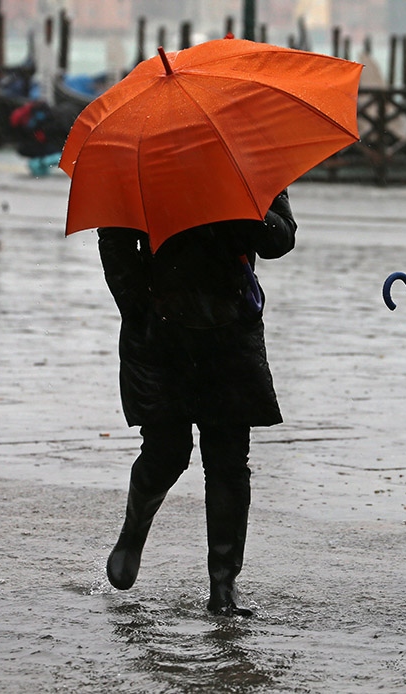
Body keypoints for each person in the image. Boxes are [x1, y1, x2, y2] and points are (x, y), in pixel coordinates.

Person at [97, 190, 296, 616]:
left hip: (228, 331)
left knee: (227, 462)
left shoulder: (246, 163)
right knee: (166, 453)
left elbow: (280, 240)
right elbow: (114, 239)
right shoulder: (145, 165)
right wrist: (138, 308)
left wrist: (244, 204)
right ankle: (133, 534)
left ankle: (223, 587)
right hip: (158, 334)